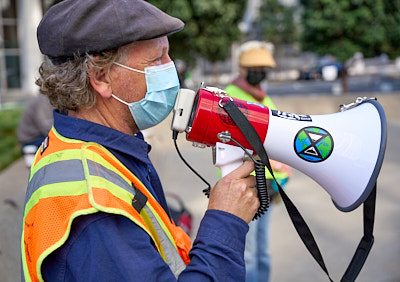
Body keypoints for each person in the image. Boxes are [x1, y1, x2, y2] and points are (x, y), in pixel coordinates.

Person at [21, 1, 260, 281]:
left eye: (169, 56)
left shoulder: (87, 147)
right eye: (157, 59)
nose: (171, 70)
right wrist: (225, 221)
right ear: (101, 76)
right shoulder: (95, 208)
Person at [225, 40, 293, 282]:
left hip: (268, 187)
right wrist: (271, 162)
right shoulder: (232, 96)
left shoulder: (261, 96)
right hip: (247, 188)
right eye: (256, 68)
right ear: (242, 68)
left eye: (264, 70)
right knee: (250, 253)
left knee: (262, 251)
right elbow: (235, 143)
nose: (260, 74)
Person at [17, 94, 53, 167]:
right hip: (32, 138)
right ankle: (31, 153)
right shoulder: (41, 102)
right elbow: (45, 126)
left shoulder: (39, 100)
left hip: (29, 136)